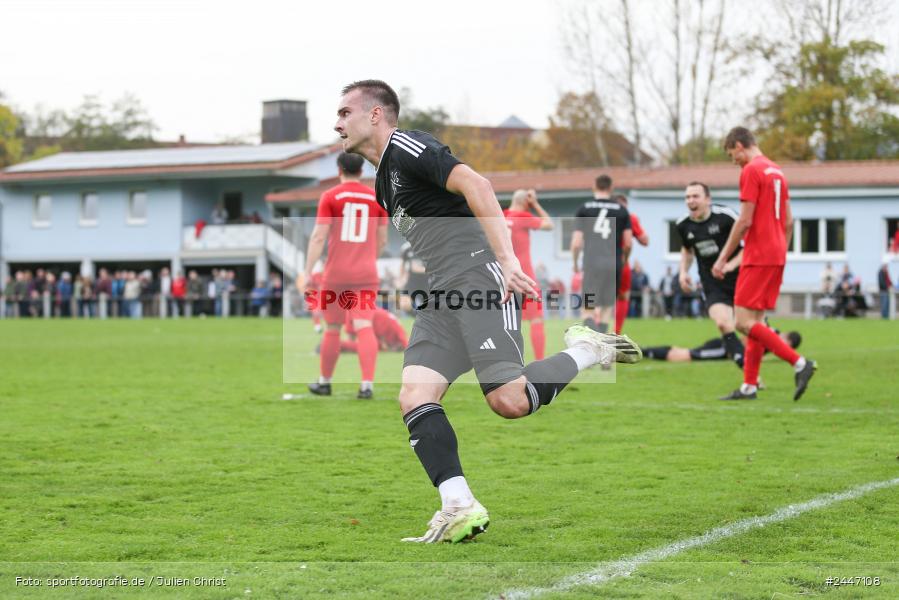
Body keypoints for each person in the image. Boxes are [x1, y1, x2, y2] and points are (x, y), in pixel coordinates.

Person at [334, 79, 641, 543]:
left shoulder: (409, 146)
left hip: (479, 279)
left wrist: (507, 261)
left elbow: (477, 183)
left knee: (509, 401)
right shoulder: (382, 181)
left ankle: (586, 349)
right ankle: (459, 505)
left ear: (375, 115)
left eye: (344, 112)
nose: (337, 123)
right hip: (442, 294)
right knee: (414, 396)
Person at [713, 126, 816, 401]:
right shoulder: (777, 170)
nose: (733, 160)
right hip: (777, 252)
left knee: (743, 322)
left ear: (739, 145)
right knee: (757, 321)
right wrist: (780, 247)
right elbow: (790, 221)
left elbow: (744, 220)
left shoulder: (752, 170)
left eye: (731, 154)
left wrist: (723, 258)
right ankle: (749, 386)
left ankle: (800, 363)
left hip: (758, 255)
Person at [303, 151, 388, 399]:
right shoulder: (376, 198)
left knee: (332, 327)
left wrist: (308, 271)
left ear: (339, 170)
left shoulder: (330, 196)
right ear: (362, 172)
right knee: (364, 325)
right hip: (365, 273)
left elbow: (319, 236)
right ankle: (366, 385)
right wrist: (368, 260)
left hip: (336, 274)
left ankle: (325, 382)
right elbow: (381, 241)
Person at [676, 181, 745, 371]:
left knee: (748, 328)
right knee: (723, 323)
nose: (691, 201)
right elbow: (688, 250)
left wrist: (730, 265)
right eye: (687, 197)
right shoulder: (683, 225)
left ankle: (786, 353)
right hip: (712, 283)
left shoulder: (726, 217)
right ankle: (747, 371)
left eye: (695, 196)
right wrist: (683, 272)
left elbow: (749, 246)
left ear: (708, 199)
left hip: (741, 279)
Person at [570, 175, 632, 335]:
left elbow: (576, 243)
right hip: (613, 264)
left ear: (594, 187)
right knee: (606, 308)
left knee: (588, 307)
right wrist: (624, 261)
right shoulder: (622, 210)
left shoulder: (584, 208)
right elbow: (628, 243)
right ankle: (602, 343)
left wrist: (576, 263)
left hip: (592, 263)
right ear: (611, 188)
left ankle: (594, 338)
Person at [503, 188, 553, 359]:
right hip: (525, 276)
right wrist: (536, 204)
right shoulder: (522, 217)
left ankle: (504, 364)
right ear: (526, 202)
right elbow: (549, 224)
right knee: (536, 319)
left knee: (505, 322)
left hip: (503, 276)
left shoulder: (501, 216)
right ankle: (540, 363)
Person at [644, 329, 800, 364]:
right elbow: (747, 336)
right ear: (786, 337)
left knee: (680, 351)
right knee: (683, 356)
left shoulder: (772, 343)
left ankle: (642, 350)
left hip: (725, 348)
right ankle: (641, 351)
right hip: (724, 348)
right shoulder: (771, 333)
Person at [613, 194, 648, 334]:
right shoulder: (629, 218)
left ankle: (596, 331)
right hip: (621, 261)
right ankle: (615, 333)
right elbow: (644, 241)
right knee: (623, 296)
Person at [339, 306, 409, 353]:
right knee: (368, 346)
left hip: (365, 313)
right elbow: (403, 339)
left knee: (366, 346)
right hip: (368, 316)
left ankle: (338, 345)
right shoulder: (396, 328)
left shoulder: (392, 324)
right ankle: (338, 345)